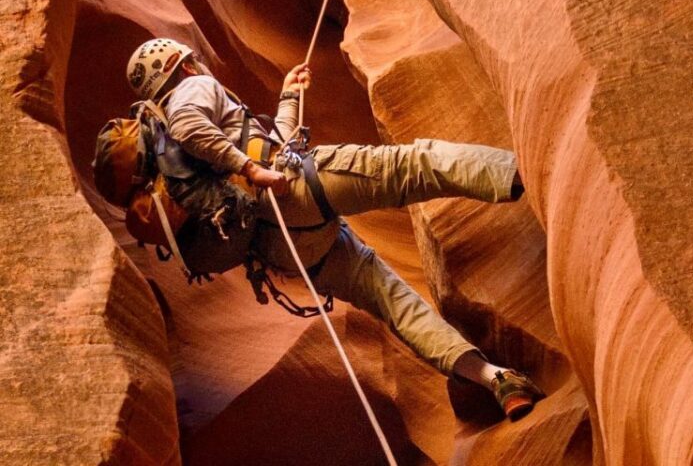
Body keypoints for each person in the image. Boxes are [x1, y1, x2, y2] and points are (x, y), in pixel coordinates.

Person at [125, 38, 544, 420]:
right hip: (294, 191)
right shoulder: (189, 91)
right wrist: (252, 169)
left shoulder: (175, 162)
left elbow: (268, 142)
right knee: (415, 166)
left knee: (392, 301)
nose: (198, 62)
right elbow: (199, 131)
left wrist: (288, 97)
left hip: (283, 248)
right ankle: (538, 172)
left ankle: (496, 380)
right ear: (181, 66)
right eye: (192, 59)